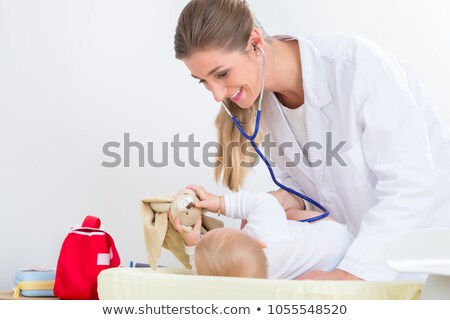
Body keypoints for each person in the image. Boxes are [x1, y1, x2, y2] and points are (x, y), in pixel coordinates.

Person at [173, 0, 450, 280]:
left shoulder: (357, 68)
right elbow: (315, 188)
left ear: (255, 42)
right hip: (360, 256)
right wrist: (276, 202)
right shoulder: (263, 107)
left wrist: (350, 275)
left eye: (222, 74)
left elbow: (411, 186)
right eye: (203, 81)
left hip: (426, 252)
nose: (217, 95)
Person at [169, 185, 354, 279]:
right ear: (259, 243)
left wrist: (192, 243)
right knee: (285, 213)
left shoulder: (256, 284)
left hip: (331, 264)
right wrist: (220, 203)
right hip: (334, 233)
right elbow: (264, 201)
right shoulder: (269, 234)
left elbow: (203, 274)